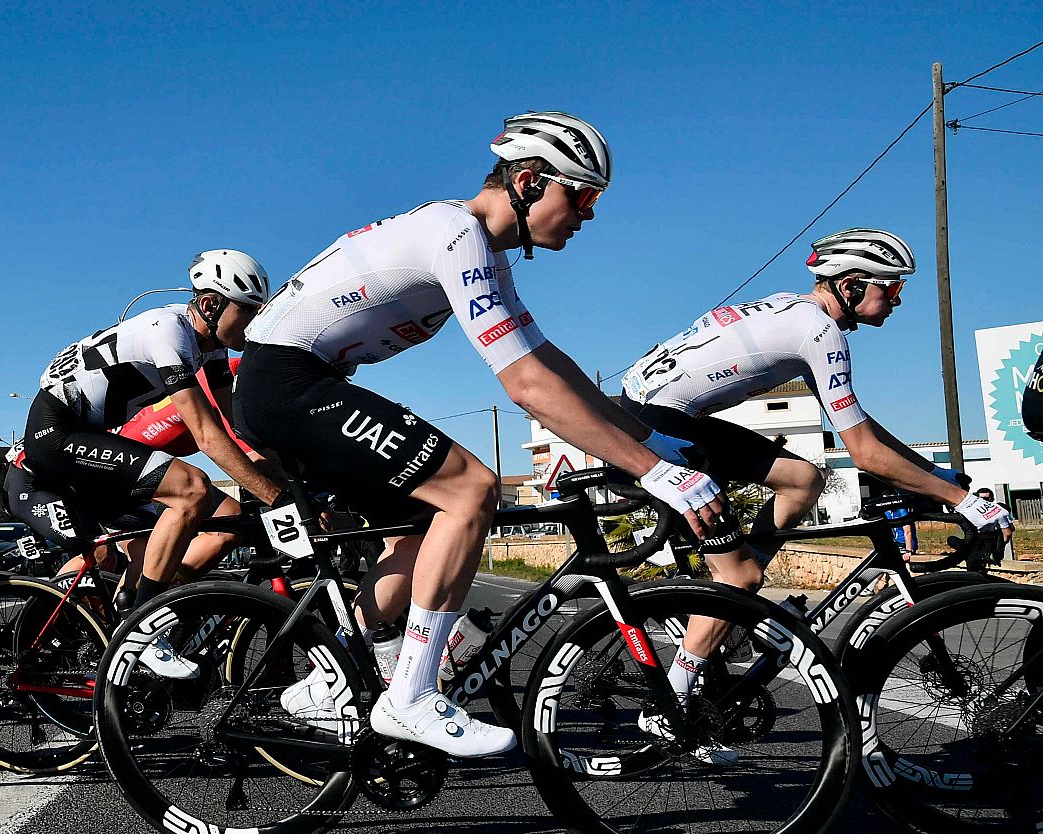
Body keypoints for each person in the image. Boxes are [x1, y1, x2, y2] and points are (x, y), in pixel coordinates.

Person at [235, 112, 728, 757]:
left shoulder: (478, 250)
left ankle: (334, 678)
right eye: (581, 195)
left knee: (422, 526)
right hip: (285, 381)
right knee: (470, 489)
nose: (588, 214)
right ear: (528, 181)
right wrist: (654, 472)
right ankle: (410, 696)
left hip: (292, 382)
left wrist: (643, 438)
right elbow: (526, 387)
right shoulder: (457, 235)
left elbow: (548, 363)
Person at [615, 228, 1013, 760]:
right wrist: (961, 502)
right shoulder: (820, 334)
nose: (898, 300)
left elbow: (862, 430)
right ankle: (672, 705)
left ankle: (729, 607)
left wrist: (939, 478)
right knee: (740, 576)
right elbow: (867, 456)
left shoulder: (798, 314)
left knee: (802, 478)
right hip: (656, 427)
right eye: (891, 289)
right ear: (850, 286)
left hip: (657, 413)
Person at [15, 355, 259, 606]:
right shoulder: (228, 382)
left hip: (127, 469)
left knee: (209, 528)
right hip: (100, 469)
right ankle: (128, 614)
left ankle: (150, 607)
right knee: (108, 554)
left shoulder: (231, 376)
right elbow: (244, 452)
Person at [968, 487, 1014, 570]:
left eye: (986, 499)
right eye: (981, 499)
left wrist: (1001, 544)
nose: (984, 501)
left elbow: (1008, 531)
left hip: (993, 539)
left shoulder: (999, 510)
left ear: (992, 499)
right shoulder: (971, 511)